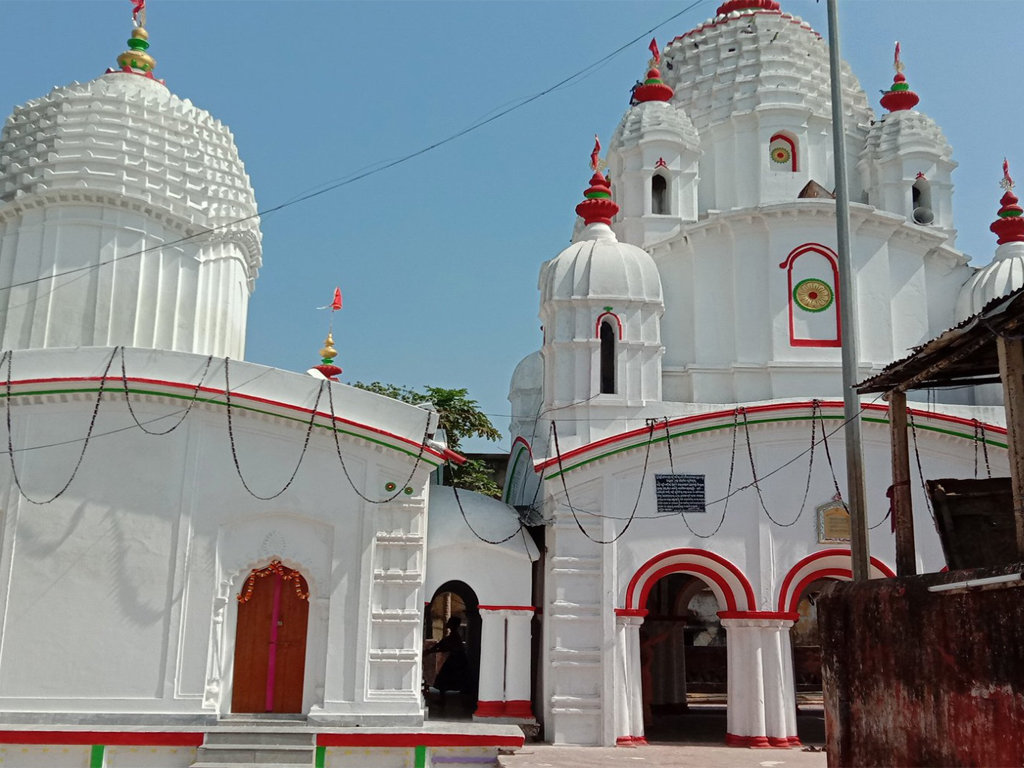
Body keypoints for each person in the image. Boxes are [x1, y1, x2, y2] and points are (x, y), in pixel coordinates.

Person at [424, 616, 471, 706]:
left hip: (457, 660)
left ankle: (445, 701)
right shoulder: (453, 635)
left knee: (445, 679)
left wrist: (431, 651)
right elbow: (442, 644)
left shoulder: (454, 636)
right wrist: (431, 650)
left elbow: (445, 646)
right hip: (456, 658)